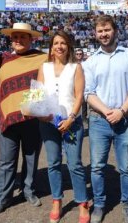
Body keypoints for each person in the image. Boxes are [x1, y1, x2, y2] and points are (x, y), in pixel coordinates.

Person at [83, 15, 128, 223]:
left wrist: (121, 110)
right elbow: (88, 93)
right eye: (100, 31)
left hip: (125, 119)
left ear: (115, 31)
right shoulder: (90, 61)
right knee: (97, 167)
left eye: (107, 30)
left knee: (126, 168)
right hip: (99, 120)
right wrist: (109, 111)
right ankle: (99, 205)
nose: (104, 34)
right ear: (95, 34)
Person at [0, 23, 48, 216]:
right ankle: (2, 198)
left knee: (31, 158)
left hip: (33, 117)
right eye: (16, 37)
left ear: (31, 39)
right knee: (6, 162)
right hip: (8, 119)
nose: (19, 40)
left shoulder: (43, 58)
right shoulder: (0, 60)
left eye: (23, 37)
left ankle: (28, 190)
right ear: (11, 40)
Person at [37, 31, 89, 223]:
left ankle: (82, 203)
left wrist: (71, 119)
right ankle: (56, 201)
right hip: (48, 123)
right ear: (51, 47)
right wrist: (39, 112)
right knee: (53, 164)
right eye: (56, 43)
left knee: (74, 164)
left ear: (69, 46)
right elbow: (38, 94)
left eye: (63, 43)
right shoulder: (44, 67)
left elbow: (79, 96)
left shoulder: (76, 67)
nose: (59, 46)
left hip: (71, 123)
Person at [75, 48, 89, 124]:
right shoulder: (73, 64)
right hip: (75, 86)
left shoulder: (86, 64)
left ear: (82, 55)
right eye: (77, 54)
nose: (79, 55)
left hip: (84, 85)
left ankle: (84, 117)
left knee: (84, 103)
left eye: (80, 54)